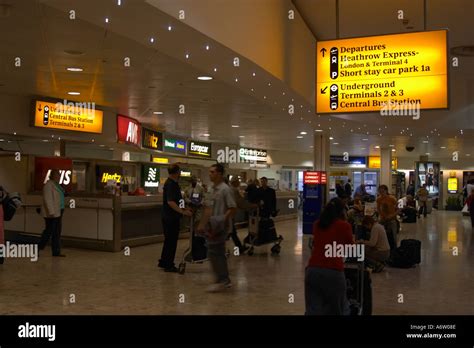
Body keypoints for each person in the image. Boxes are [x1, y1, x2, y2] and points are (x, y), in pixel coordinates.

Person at [305, 198, 353, 315]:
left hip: (313, 270)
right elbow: (350, 249)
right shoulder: (344, 226)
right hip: (333, 271)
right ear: (342, 211)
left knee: (313, 309)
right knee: (337, 308)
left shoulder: (317, 224)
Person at [198, 163, 236, 292]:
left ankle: (224, 280)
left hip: (220, 226)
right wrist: (203, 224)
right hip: (211, 226)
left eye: (213, 172)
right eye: (209, 172)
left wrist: (221, 220)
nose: (210, 174)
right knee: (214, 252)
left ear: (220, 174)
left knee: (216, 252)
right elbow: (208, 208)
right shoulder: (210, 189)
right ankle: (222, 279)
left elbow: (232, 208)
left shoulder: (225, 189)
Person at [158, 164, 192, 272]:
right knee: (171, 241)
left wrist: (185, 208)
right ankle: (169, 265)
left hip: (169, 216)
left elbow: (177, 201)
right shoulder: (171, 184)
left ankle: (164, 261)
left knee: (168, 240)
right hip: (170, 217)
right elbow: (171, 202)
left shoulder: (173, 184)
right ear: (177, 172)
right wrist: (182, 211)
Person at [39, 169, 66, 257]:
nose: (58, 177)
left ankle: (56, 252)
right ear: (52, 176)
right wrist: (51, 212)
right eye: (57, 175)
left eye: (59, 175)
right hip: (52, 213)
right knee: (49, 231)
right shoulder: (48, 185)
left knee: (57, 232)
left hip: (58, 211)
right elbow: (48, 199)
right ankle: (38, 248)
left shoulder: (57, 185)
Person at [229, 177, 257, 253]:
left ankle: (239, 248)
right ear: (234, 182)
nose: (239, 183)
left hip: (227, 213)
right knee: (231, 232)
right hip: (229, 214)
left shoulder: (229, 189)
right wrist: (252, 206)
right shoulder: (234, 190)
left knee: (231, 232)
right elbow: (240, 202)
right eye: (238, 181)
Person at [376, 185, 398, 251]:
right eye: (380, 192)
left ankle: (394, 251)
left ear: (386, 191)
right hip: (383, 219)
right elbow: (378, 209)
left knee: (393, 236)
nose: (381, 193)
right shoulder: (378, 199)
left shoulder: (392, 198)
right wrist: (381, 216)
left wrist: (392, 215)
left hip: (392, 220)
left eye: (382, 191)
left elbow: (399, 208)